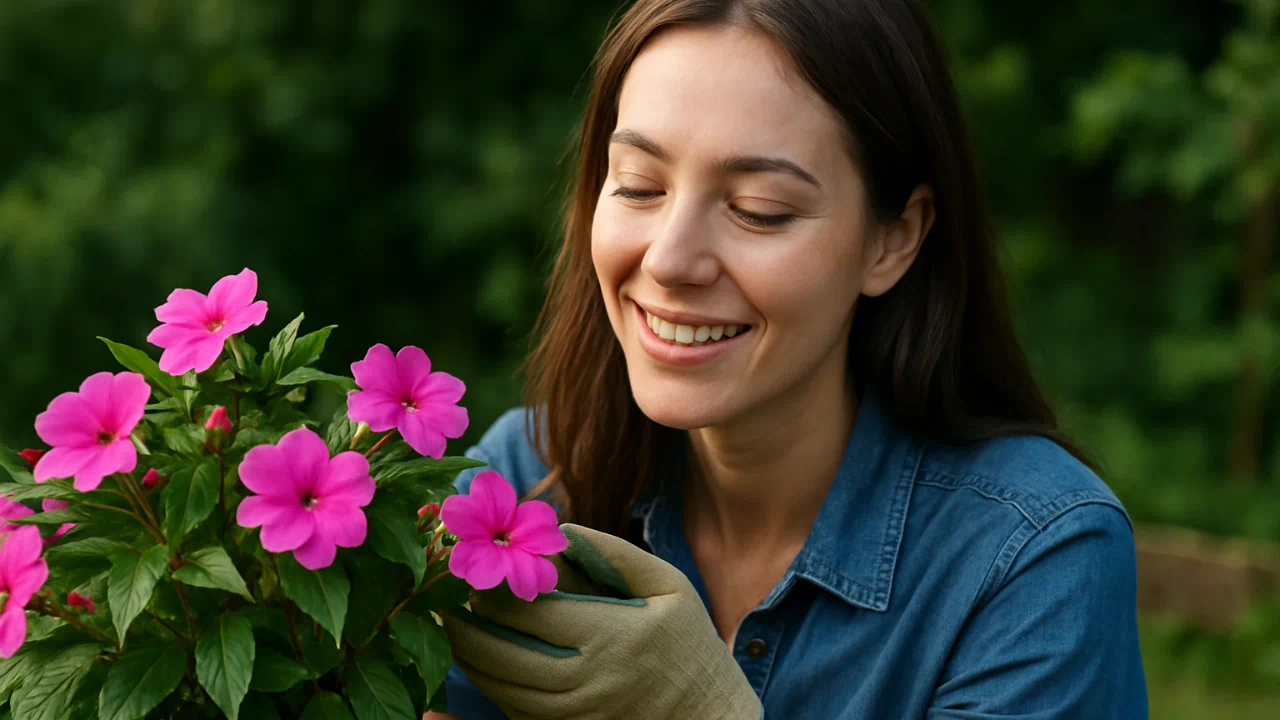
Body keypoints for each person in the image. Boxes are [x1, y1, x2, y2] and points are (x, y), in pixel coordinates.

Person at [428, 0, 1149, 718]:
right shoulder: (526, 483)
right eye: (640, 186)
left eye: (759, 208)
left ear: (893, 239)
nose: (671, 259)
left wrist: (700, 709)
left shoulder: (1033, 559)